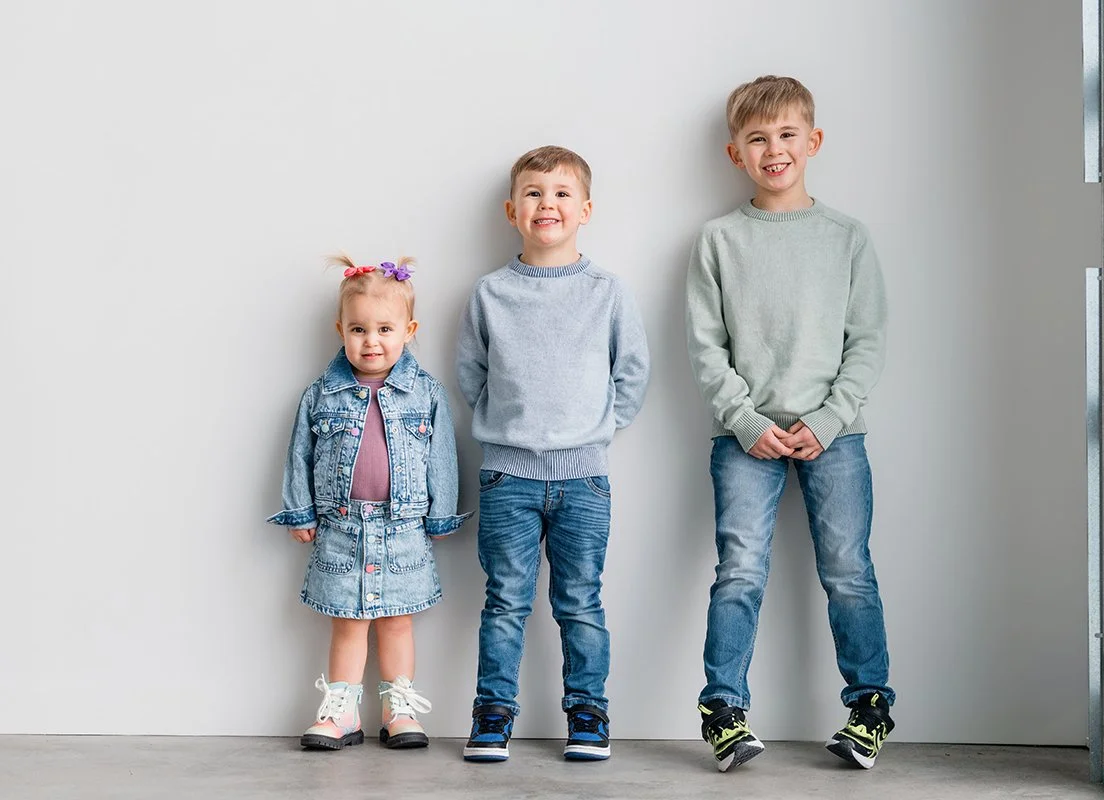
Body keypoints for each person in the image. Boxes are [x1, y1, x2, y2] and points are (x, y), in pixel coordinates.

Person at [686, 75, 895, 772]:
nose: (773, 149)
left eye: (785, 135)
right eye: (757, 138)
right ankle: (723, 711)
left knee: (849, 572)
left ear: (813, 141)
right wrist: (744, 422)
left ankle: (869, 709)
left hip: (834, 437)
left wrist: (830, 419)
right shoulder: (717, 240)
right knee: (738, 572)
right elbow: (705, 346)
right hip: (745, 441)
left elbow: (867, 340)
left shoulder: (847, 239)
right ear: (734, 152)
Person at [456, 145, 650, 762]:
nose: (548, 204)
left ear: (585, 209)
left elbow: (634, 373)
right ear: (513, 210)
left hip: (584, 480)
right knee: (505, 600)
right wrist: (509, 429)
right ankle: (493, 713)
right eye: (534, 193)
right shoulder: (489, 293)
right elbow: (471, 374)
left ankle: (588, 713)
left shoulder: (608, 291)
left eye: (562, 193)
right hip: (506, 477)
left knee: (581, 600)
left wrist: (595, 430)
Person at [268, 256, 471, 751]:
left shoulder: (425, 394)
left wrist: (442, 513)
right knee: (348, 623)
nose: (371, 341)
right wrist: (300, 511)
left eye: (384, 329)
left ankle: (398, 708)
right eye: (358, 329)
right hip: (340, 528)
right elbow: (300, 452)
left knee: (398, 622)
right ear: (341, 329)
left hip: (404, 529)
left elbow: (442, 456)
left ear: (409, 330)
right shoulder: (321, 394)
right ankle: (342, 711)